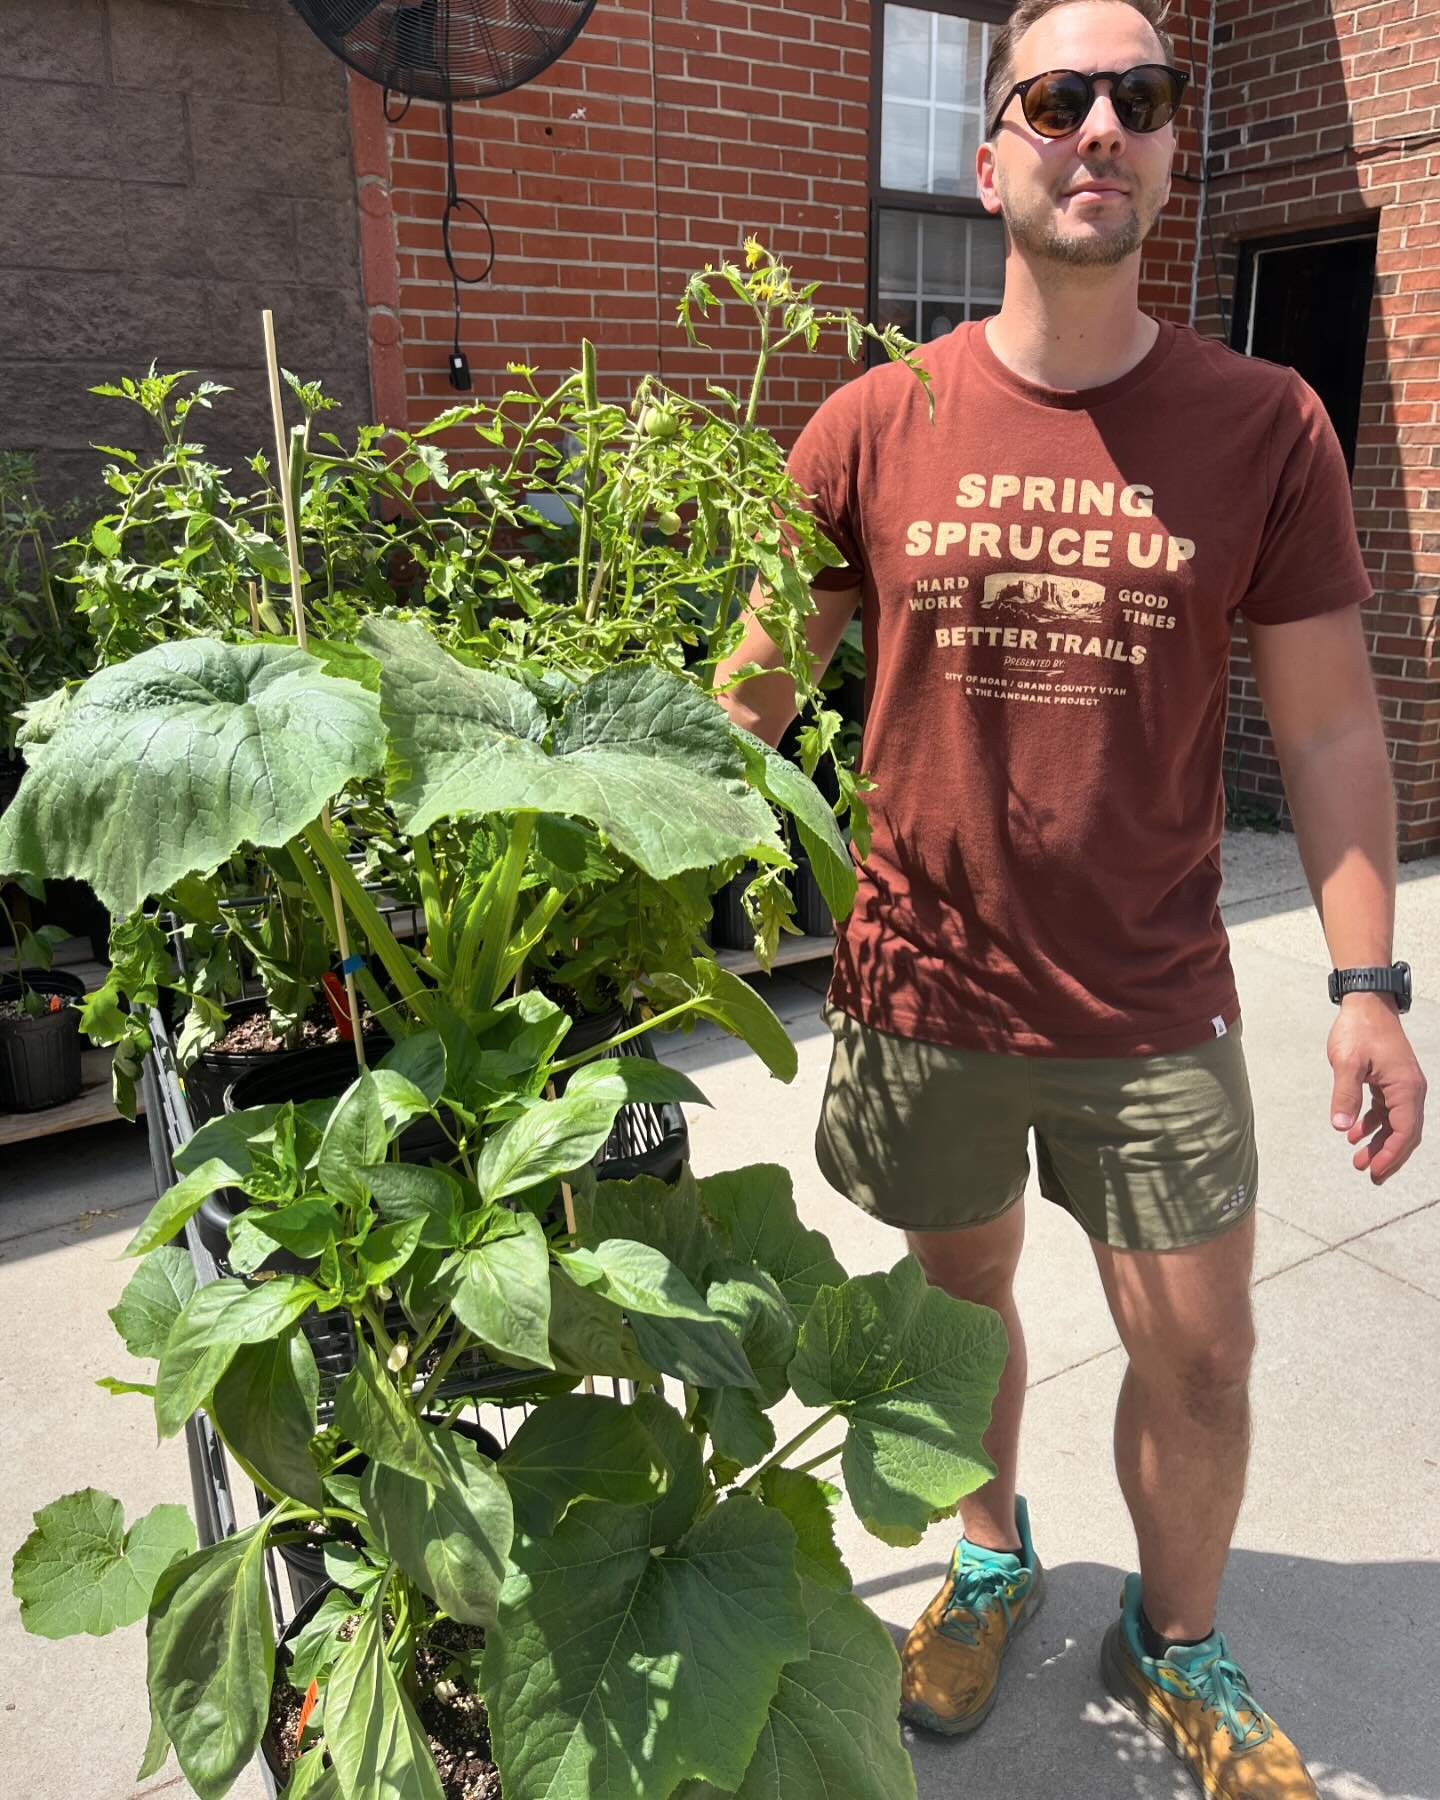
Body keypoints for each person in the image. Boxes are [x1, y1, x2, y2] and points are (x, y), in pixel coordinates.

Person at [713, 0, 1428, 1792]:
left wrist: (1368, 980)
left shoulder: (1266, 427)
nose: (1098, 125)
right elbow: (747, 692)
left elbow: (1335, 731)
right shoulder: (876, 421)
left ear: (1174, 151)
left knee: (1202, 1352)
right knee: (962, 1305)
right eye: (1057, 94)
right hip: (923, 988)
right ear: (995, 154)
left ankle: (1173, 1637)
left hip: (1149, 995)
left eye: (1141, 97)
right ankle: (988, 1553)